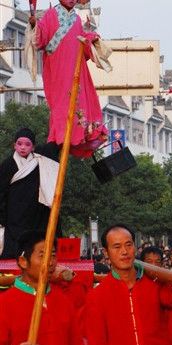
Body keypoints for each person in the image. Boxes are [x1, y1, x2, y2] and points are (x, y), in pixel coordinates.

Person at [0, 231, 86, 345]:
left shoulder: (63, 301)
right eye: (42, 255)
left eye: (53, 255)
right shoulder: (4, 304)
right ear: (23, 261)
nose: (50, 262)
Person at [28, 0, 108, 158]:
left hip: (76, 70)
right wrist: (34, 26)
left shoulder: (77, 19)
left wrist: (90, 38)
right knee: (61, 105)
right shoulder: (50, 15)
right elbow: (39, 40)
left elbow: (82, 44)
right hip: (57, 70)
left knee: (79, 104)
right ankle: (60, 138)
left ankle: (77, 136)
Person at [0, 128, 60, 259]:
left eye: (27, 144)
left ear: (33, 147)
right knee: (13, 252)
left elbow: (54, 146)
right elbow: (1, 192)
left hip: (35, 214)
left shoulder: (40, 161)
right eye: (19, 144)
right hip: (14, 216)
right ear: (14, 145)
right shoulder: (7, 164)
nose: (23, 147)